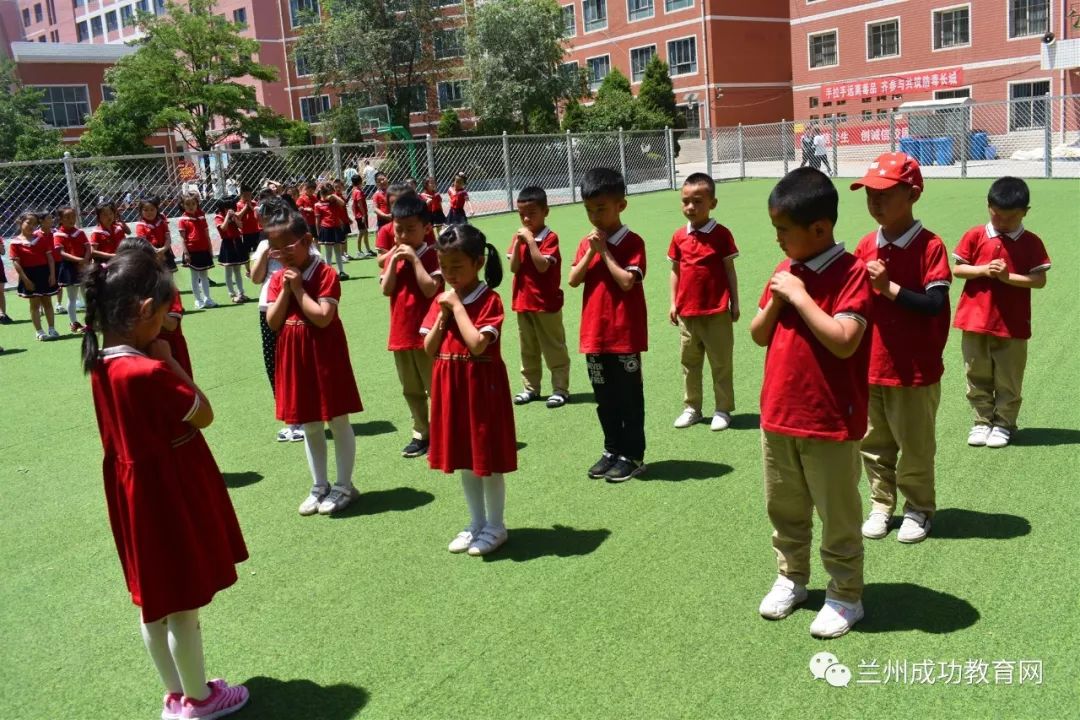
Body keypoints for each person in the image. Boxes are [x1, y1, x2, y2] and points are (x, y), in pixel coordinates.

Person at [81, 247, 249, 720]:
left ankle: (176, 694)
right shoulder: (148, 370)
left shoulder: (101, 362)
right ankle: (200, 700)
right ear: (142, 311)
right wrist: (171, 362)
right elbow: (205, 414)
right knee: (182, 604)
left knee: (153, 602)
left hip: (132, 492)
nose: (166, 323)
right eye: (162, 313)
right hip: (168, 491)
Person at [749, 167, 872, 638]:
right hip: (778, 415)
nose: (778, 238)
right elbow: (758, 334)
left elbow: (843, 340)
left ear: (819, 229)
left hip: (829, 422)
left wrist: (799, 297)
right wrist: (779, 300)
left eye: (784, 229)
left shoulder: (852, 273)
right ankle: (791, 578)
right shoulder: (785, 271)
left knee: (838, 515)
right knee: (785, 508)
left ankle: (845, 594)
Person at [850, 153, 951, 543]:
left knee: (915, 445)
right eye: (869, 194)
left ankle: (918, 508)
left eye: (885, 194)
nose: (875, 202)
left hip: (914, 369)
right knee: (874, 443)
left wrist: (887, 287)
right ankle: (881, 503)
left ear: (912, 195)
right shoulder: (865, 245)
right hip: (871, 364)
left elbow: (934, 304)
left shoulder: (930, 246)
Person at [421, 224, 516, 556]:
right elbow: (429, 348)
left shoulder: (490, 300)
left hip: (481, 388)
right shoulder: (443, 301)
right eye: (444, 267)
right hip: (451, 388)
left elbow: (477, 344)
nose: (449, 274)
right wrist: (443, 314)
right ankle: (476, 522)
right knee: (465, 459)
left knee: (487, 460)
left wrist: (457, 308)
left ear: (478, 262)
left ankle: (496, 526)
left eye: (457, 267)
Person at [264, 198, 362, 515]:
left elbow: (322, 317)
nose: (282, 255)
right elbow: (273, 322)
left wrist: (298, 290)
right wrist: (285, 289)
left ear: (307, 240)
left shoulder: (325, 273)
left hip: (325, 356)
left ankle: (344, 485)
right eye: (275, 250)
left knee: (337, 419)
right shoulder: (279, 279)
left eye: (287, 247)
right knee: (309, 423)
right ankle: (319, 485)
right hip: (295, 358)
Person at [952, 177, 1051, 449]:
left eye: (1011, 217)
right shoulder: (975, 235)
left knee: (1008, 377)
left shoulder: (1031, 242)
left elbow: (1039, 281)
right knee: (976, 374)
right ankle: (982, 422)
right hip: (974, 320)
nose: (1003, 222)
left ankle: (1004, 423)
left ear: (1025, 212)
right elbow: (958, 269)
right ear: (988, 207)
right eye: (997, 215)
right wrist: (983, 270)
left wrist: (1008, 278)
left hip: (1012, 324)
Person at [567, 168, 648, 483]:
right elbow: (573, 280)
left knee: (629, 399)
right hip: (595, 336)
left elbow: (627, 281)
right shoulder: (587, 243)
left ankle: (633, 455)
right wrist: (591, 252)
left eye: (601, 209)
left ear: (620, 205)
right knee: (604, 399)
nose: (595, 216)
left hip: (624, 336)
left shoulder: (633, 242)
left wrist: (605, 252)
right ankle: (612, 449)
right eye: (589, 210)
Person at [668, 173, 740, 432]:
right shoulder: (679, 236)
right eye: (685, 201)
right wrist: (673, 302)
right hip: (687, 313)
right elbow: (675, 270)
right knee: (689, 363)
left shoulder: (721, 234)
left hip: (717, 311)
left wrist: (735, 302)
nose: (691, 207)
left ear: (713, 203)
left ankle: (722, 409)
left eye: (698, 201)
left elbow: (729, 269)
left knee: (721, 363)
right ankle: (692, 408)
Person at [381, 193, 442, 458]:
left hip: (429, 333)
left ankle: (443, 432)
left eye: (410, 229)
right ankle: (421, 432)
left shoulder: (434, 255)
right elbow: (386, 289)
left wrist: (415, 260)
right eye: (399, 230)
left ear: (426, 229)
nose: (403, 236)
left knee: (436, 386)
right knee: (411, 388)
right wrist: (393, 261)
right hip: (401, 333)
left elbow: (430, 289)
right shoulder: (394, 256)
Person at [507, 186, 570, 409]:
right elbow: (514, 268)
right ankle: (531, 388)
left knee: (554, 347)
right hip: (523, 302)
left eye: (532, 213)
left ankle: (560, 389)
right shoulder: (519, 238)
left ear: (545, 212)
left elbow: (542, 266)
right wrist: (518, 243)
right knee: (528, 349)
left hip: (546, 304)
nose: (526, 219)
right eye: (522, 214)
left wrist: (531, 242)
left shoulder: (550, 238)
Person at [250, 214, 306, 444]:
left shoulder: (298, 242)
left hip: (294, 306)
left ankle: (304, 417)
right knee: (273, 363)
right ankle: (290, 418)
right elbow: (255, 278)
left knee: (296, 361)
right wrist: (265, 252)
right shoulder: (264, 245)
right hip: (268, 307)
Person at [8, 211, 59, 340]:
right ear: (20, 222)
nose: (31, 226)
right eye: (28, 223)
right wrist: (26, 280)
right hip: (29, 276)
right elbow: (16, 263)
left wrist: (52, 275)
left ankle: (52, 329)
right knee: (34, 304)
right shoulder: (15, 243)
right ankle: (39, 331)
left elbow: (50, 259)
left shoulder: (41, 239)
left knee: (47, 302)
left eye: (34, 224)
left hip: (44, 273)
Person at [54, 206, 92, 334]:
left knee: (87, 295)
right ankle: (74, 323)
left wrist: (85, 260)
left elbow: (88, 247)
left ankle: (89, 323)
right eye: (67, 217)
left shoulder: (80, 232)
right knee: (72, 298)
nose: (71, 219)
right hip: (69, 268)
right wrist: (79, 260)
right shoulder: (58, 234)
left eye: (73, 216)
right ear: (60, 219)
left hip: (83, 266)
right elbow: (61, 252)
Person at [177, 193, 217, 310]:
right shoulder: (182, 219)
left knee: (204, 276)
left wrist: (210, 248)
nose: (191, 206)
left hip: (203, 250)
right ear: (183, 205)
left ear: (197, 204)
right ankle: (198, 300)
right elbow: (182, 239)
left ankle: (207, 299)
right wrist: (186, 253)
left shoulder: (202, 217)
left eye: (193, 204)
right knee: (194, 277)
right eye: (188, 204)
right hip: (192, 252)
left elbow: (206, 234)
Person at [214, 197, 249, 304]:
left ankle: (241, 293)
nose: (229, 210)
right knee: (228, 271)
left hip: (237, 242)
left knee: (237, 270)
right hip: (227, 244)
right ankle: (232, 294)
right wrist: (227, 217)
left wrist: (235, 217)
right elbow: (223, 228)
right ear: (222, 208)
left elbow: (241, 226)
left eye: (231, 207)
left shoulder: (235, 215)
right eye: (226, 208)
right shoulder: (218, 217)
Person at [314, 183, 349, 279]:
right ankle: (329, 273)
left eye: (331, 193)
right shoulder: (318, 205)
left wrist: (334, 196)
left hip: (336, 228)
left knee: (338, 251)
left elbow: (343, 203)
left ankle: (341, 271)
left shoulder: (334, 202)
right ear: (322, 193)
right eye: (328, 193)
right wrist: (318, 232)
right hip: (326, 229)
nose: (329, 195)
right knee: (328, 252)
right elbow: (317, 220)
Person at [134, 196, 177, 273]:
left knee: (169, 275)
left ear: (157, 209)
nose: (149, 212)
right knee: (156, 275)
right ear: (140, 211)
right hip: (150, 253)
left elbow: (168, 237)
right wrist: (156, 251)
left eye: (152, 209)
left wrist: (164, 249)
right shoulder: (140, 225)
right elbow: (144, 242)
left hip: (165, 250)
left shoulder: (162, 222)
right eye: (146, 210)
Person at [235, 184, 262, 275]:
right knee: (246, 252)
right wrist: (245, 208)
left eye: (250, 195)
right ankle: (248, 270)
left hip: (256, 231)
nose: (248, 197)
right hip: (245, 233)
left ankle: (257, 269)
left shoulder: (254, 203)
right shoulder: (238, 204)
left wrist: (251, 206)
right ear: (241, 194)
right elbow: (238, 217)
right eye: (246, 195)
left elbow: (258, 215)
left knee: (258, 250)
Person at [349, 174, 373, 258]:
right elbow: (359, 204)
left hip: (359, 215)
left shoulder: (354, 191)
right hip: (361, 215)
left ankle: (368, 249)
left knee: (365, 232)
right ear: (360, 181)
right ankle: (359, 251)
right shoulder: (358, 192)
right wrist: (363, 215)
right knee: (361, 232)